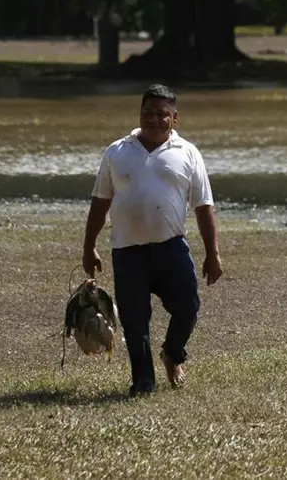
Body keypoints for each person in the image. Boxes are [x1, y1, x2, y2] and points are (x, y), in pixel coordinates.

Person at [81, 83, 223, 397]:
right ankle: (143, 381)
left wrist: (212, 253)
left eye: (162, 114)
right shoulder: (117, 151)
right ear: (140, 114)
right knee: (134, 320)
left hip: (171, 247)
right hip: (127, 251)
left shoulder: (188, 153)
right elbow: (100, 202)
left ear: (175, 118)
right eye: (149, 113)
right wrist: (89, 246)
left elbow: (203, 207)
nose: (155, 119)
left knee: (188, 308)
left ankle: (172, 353)